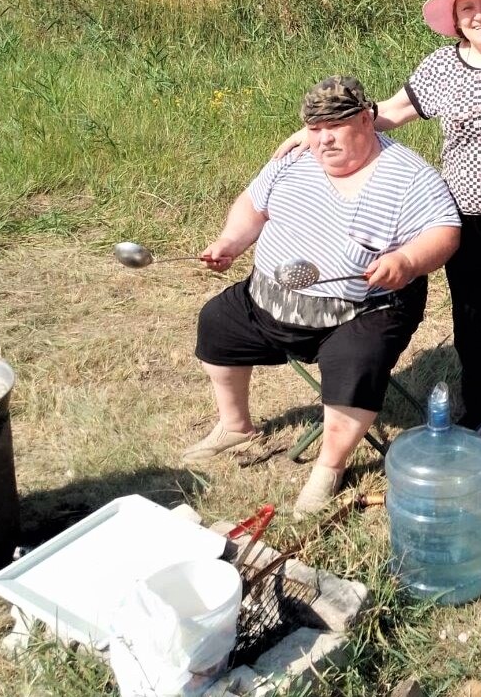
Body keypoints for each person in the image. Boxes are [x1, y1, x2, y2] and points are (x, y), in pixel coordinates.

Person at [276, 0, 481, 495]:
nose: (478, 14)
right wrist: (322, 130)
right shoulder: (441, 67)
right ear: (456, 20)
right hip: (460, 217)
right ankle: (480, 410)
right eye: (467, 8)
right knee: (470, 322)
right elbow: (390, 112)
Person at [186, 76, 461, 519]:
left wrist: (407, 262)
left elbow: (444, 232)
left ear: (369, 120)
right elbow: (254, 206)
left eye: (336, 125)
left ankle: (329, 467)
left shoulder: (410, 176)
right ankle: (236, 426)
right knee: (218, 321)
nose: (324, 138)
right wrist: (231, 241)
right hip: (272, 301)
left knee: (356, 363)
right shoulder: (293, 159)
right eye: (314, 127)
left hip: (363, 309)